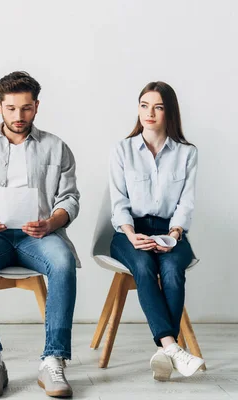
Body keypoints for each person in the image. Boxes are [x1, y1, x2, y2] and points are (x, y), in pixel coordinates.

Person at [0, 71, 80, 398]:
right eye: (11, 108)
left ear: (36, 106)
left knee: (64, 261)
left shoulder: (56, 147)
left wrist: (51, 223)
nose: (18, 116)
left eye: (25, 108)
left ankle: (53, 361)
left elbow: (69, 198)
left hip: (38, 236)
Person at [109, 81, 205, 381]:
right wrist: (130, 233)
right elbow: (118, 201)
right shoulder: (122, 149)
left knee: (174, 270)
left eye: (158, 107)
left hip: (170, 230)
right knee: (142, 265)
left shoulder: (187, 153)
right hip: (130, 232)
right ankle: (172, 347)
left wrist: (173, 236)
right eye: (144, 105)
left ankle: (166, 352)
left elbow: (186, 203)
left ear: (169, 112)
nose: (149, 113)